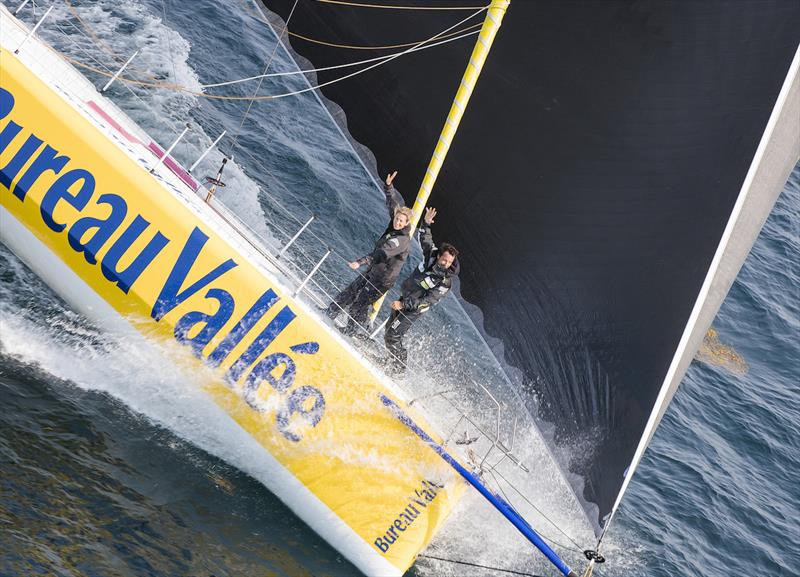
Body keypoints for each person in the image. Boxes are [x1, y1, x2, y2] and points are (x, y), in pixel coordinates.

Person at [326, 171, 413, 335]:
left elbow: (381, 253)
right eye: (397, 219)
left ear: (407, 223)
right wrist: (388, 187)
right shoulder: (395, 224)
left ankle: (352, 331)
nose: (397, 221)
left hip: (382, 279)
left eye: (401, 221)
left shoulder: (402, 240)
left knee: (359, 304)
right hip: (374, 270)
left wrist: (360, 261)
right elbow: (392, 204)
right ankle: (330, 312)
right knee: (350, 291)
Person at [384, 206, 459, 374]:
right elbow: (425, 239)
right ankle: (391, 362)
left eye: (448, 262)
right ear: (439, 256)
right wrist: (426, 223)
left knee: (393, 336)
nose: (445, 264)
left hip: (414, 309)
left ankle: (399, 370)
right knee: (389, 331)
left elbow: (426, 301)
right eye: (444, 260)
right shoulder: (431, 256)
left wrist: (404, 305)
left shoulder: (444, 283)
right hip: (404, 300)